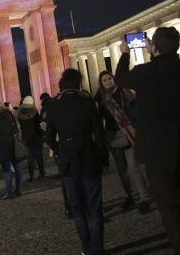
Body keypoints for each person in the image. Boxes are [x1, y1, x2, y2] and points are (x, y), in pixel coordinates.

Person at [115, 27, 180, 253]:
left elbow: (120, 78)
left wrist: (124, 53)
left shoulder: (146, 72)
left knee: (169, 208)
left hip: (157, 152)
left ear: (153, 48)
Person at [46, 69, 108, 255]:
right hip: (89, 157)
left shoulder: (53, 106)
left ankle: (86, 247)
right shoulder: (87, 102)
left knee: (77, 209)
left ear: (62, 85)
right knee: (94, 207)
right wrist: (103, 157)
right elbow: (99, 133)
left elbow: (49, 138)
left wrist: (60, 150)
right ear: (78, 84)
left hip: (67, 162)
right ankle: (97, 248)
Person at [94, 70, 152, 214]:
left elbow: (137, 112)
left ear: (114, 79)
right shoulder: (100, 99)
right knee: (122, 170)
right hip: (113, 137)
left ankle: (143, 197)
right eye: (104, 80)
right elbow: (99, 121)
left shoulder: (126, 93)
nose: (108, 81)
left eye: (109, 78)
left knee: (134, 167)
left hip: (129, 135)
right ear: (101, 84)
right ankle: (130, 195)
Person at [0, 97, 22, 199]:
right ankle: (18, 190)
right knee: (16, 166)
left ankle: (8, 192)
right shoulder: (9, 115)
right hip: (12, 144)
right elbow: (16, 130)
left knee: (7, 170)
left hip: (1, 145)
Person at [17, 96, 46, 182]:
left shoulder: (20, 113)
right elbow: (40, 123)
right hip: (37, 137)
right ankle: (42, 173)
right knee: (39, 156)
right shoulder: (34, 111)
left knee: (30, 158)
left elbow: (22, 126)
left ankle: (31, 176)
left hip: (27, 138)